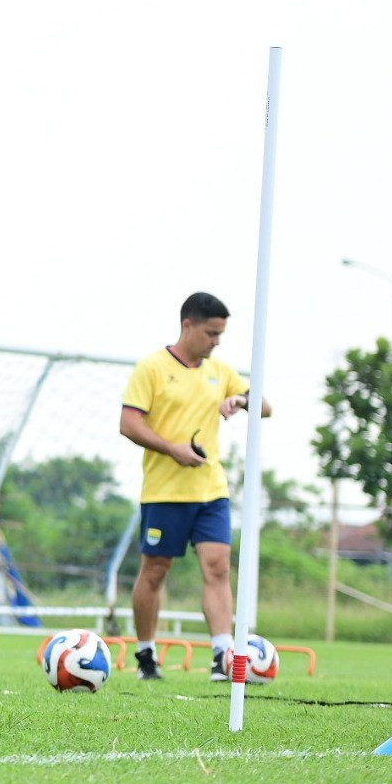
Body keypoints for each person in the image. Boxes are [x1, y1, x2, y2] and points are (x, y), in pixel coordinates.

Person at [116, 292, 269, 681]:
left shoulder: (220, 371)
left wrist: (241, 399)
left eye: (221, 334)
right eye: (211, 333)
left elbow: (265, 405)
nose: (216, 341)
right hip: (165, 491)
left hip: (211, 491)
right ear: (188, 325)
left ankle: (222, 655)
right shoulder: (151, 368)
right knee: (155, 570)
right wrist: (173, 449)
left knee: (218, 567)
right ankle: (146, 655)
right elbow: (129, 424)